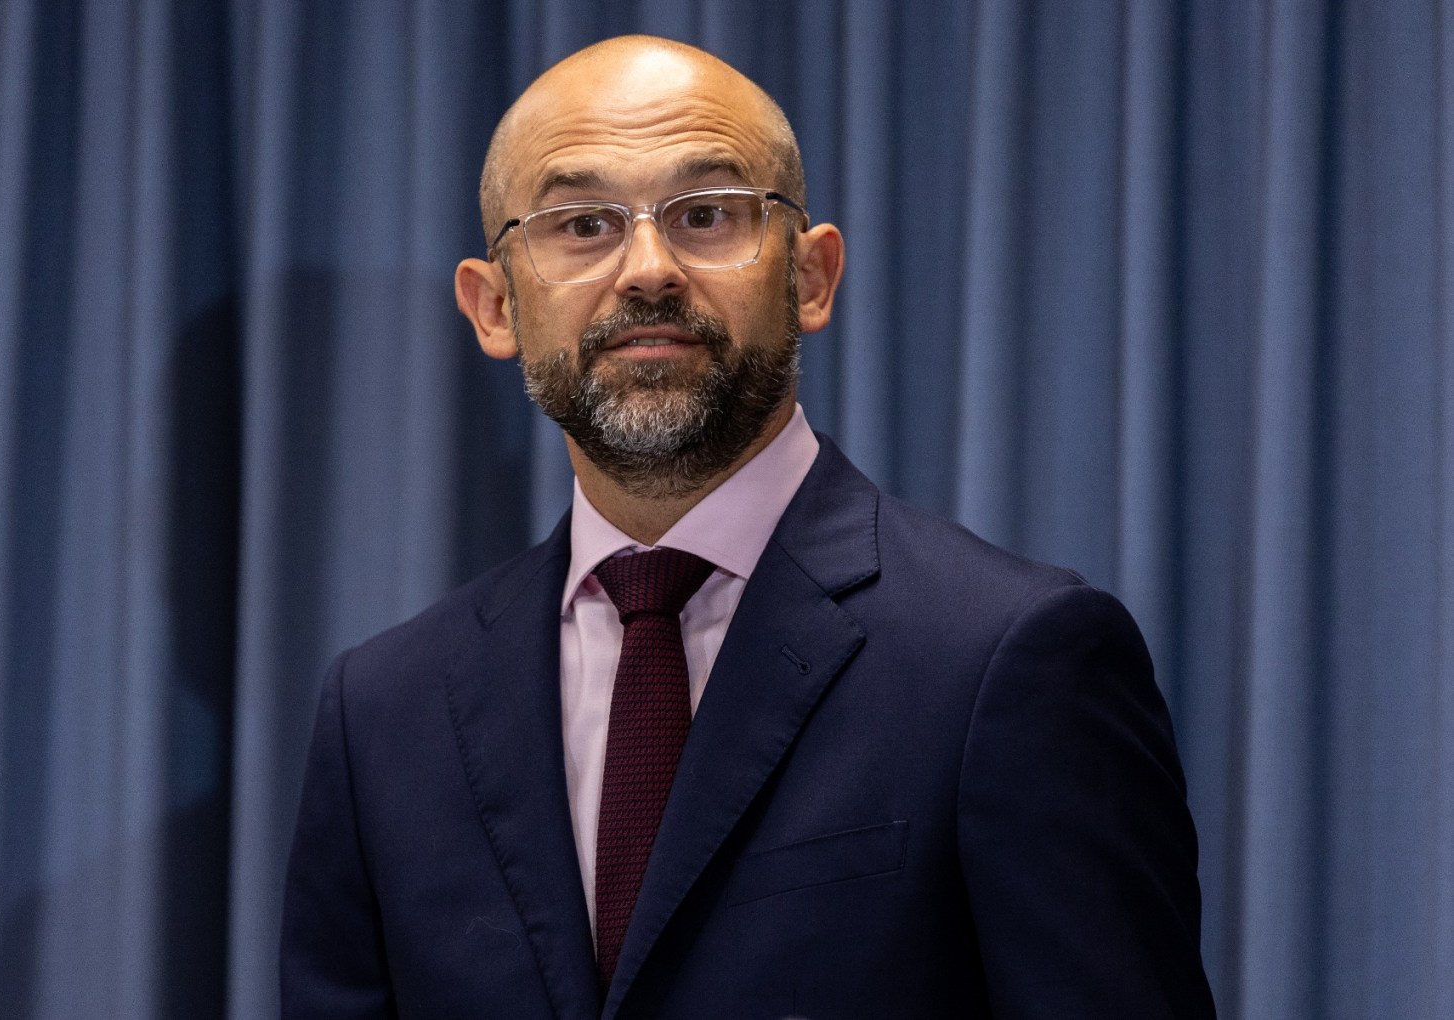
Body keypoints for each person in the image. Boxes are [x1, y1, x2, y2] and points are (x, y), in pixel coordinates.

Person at [280, 34, 1216, 1020]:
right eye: (582, 223)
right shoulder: (383, 714)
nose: (648, 269)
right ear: (494, 305)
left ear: (811, 278)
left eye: (708, 214)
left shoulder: (1012, 658)